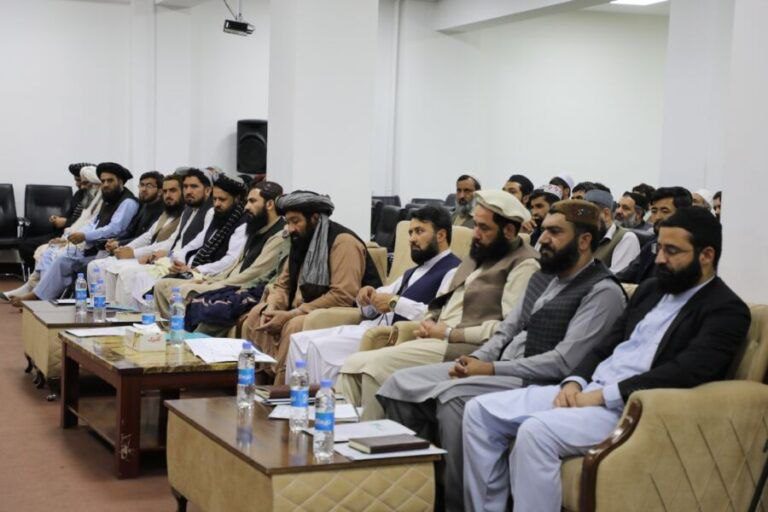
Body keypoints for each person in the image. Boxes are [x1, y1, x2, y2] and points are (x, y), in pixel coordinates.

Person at [462, 207, 750, 512]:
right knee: (479, 412)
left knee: (535, 432)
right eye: (660, 248)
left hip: (633, 408)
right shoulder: (652, 290)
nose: (659, 259)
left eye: (672, 251)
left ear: (706, 255)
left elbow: (684, 372)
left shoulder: (726, 310)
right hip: (589, 390)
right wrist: (574, 381)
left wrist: (603, 396)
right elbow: (605, 346)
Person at [378, 199, 626, 511]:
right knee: (398, 383)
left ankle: (456, 504)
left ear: (585, 240)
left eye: (555, 232)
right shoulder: (544, 277)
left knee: (454, 399)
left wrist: (489, 369)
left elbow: (564, 362)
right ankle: (417, 494)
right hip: (501, 365)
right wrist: (475, 360)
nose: (543, 239)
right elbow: (507, 330)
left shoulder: (602, 292)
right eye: (544, 230)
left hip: (540, 381)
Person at [338, 190, 540, 420]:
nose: (475, 233)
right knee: (351, 366)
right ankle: (341, 436)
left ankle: (374, 439)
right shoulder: (479, 255)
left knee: (373, 368)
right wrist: (429, 321)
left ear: (509, 231)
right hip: (437, 337)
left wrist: (449, 333)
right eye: (476, 225)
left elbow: (509, 330)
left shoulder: (524, 264)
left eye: (484, 228)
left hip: (467, 347)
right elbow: (442, 302)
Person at [287, 205, 461, 384]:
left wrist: (395, 303)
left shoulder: (453, 271)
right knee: (299, 340)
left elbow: (440, 317)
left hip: (391, 336)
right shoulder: (413, 271)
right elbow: (377, 303)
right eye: (410, 233)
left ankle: (321, 399)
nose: (411, 239)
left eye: (419, 231)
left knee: (316, 347)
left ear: (441, 235)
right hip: (369, 327)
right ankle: (291, 396)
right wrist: (366, 297)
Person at [243, 191, 383, 385]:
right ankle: (256, 384)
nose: (290, 228)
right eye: (288, 222)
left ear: (315, 218)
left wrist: (291, 314)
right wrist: (273, 307)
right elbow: (282, 284)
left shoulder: (343, 242)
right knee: (257, 315)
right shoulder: (300, 239)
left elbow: (342, 295)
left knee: (294, 325)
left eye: (295, 221)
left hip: (342, 314)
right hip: (304, 309)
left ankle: (282, 388)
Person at [155, 180, 287, 323]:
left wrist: (217, 284)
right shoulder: (255, 228)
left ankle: (179, 331)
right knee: (162, 285)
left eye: (252, 201)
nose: (247, 207)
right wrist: (208, 280)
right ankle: (168, 329)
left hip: (239, 287)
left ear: (269, 204)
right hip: (221, 279)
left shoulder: (278, 236)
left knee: (183, 291)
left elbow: (254, 273)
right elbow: (235, 265)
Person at [10, 162, 140, 304]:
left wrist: (84, 236)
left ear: (121, 182)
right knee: (58, 256)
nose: (106, 184)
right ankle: (39, 296)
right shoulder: (109, 200)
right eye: (103, 181)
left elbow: (114, 229)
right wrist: (69, 238)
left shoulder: (128, 202)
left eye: (110, 181)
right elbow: (93, 223)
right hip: (92, 247)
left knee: (62, 258)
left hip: (109, 250)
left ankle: (38, 297)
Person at [106, 168, 213, 306]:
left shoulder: (210, 212)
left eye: (193, 187)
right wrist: (127, 248)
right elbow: (172, 239)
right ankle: (114, 311)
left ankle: (132, 315)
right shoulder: (187, 211)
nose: (188, 191)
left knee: (128, 273)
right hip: (169, 259)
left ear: (208, 190)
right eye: (186, 187)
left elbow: (197, 245)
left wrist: (165, 255)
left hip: (183, 264)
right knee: (113, 268)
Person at [2, 166, 102, 302]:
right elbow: (75, 220)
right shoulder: (86, 198)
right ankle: (34, 291)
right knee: (47, 250)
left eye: (85, 183)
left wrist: (66, 231)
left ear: (96, 184)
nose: (81, 186)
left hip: (84, 244)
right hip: (70, 237)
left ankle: (39, 295)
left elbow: (90, 228)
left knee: (51, 252)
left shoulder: (102, 203)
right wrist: (63, 230)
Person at [86, 173, 184, 295]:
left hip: (161, 259)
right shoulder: (166, 212)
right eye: (165, 191)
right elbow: (148, 236)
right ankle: (103, 303)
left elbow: (168, 244)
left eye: (173, 191)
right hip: (147, 255)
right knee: (95, 265)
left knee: (123, 272)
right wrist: (125, 249)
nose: (168, 195)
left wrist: (133, 252)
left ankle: (118, 306)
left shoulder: (184, 214)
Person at [617, 186, 692, 284]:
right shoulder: (651, 245)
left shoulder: (690, 249)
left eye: (665, 211)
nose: (657, 217)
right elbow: (625, 276)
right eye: (654, 211)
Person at [585, 188, 640, 274]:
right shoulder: (585, 236)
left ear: (606, 214)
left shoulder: (626, 238)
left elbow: (616, 276)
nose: (584, 221)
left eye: (589, 215)